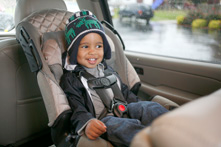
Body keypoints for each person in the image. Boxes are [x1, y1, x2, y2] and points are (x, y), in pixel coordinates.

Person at [60, 10, 168, 147]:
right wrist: (87, 123)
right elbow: (76, 108)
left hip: (124, 109)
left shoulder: (108, 70)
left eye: (98, 46)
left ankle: (173, 128)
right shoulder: (71, 79)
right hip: (103, 120)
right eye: (85, 46)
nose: (93, 51)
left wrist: (140, 107)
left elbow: (125, 93)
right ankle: (151, 142)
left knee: (150, 107)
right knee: (121, 126)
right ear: (74, 50)